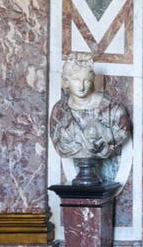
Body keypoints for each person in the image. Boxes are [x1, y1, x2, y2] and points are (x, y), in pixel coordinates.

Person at [49, 52, 131, 184]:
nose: (81, 86)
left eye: (86, 80)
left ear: (92, 80)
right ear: (66, 81)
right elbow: (57, 139)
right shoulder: (59, 112)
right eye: (76, 80)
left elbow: (121, 132)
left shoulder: (113, 111)